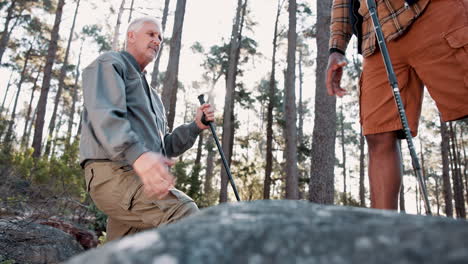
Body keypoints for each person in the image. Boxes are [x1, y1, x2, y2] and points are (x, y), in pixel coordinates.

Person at [79, 16, 215, 241]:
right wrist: (137, 155)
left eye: (160, 37)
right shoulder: (111, 63)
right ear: (130, 36)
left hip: (138, 180)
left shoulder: (154, 98)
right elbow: (104, 113)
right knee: (182, 213)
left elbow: (164, 146)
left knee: (126, 254)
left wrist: (196, 126)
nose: (157, 41)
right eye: (151, 34)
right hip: (111, 172)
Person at [326, 0, 468, 210]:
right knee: (378, 132)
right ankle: (385, 234)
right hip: (377, 34)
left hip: (434, 10)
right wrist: (336, 47)